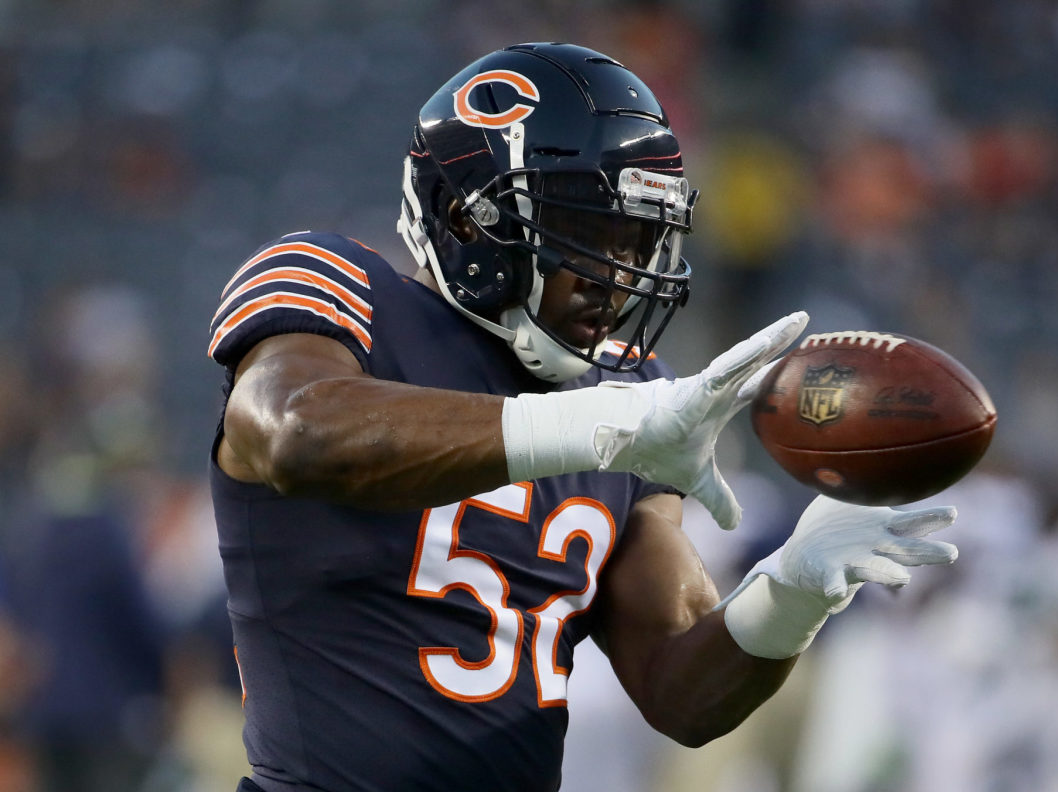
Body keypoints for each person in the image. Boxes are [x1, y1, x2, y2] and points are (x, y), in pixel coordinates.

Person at [207, 42, 959, 792]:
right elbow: (293, 434)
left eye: (637, 240)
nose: (617, 275)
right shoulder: (341, 287)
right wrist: (603, 427)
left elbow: (680, 692)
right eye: (588, 235)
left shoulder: (628, 392)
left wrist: (792, 591)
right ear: (467, 221)